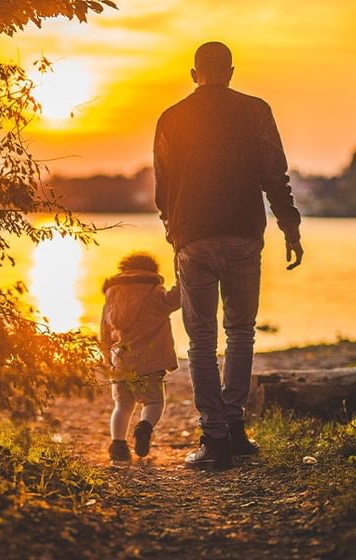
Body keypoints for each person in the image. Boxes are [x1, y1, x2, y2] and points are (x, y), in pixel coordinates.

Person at [154, 41, 303, 470]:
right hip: (242, 233)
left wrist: (173, 230)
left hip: (193, 238)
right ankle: (235, 428)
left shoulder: (171, 117)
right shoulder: (256, 110)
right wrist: (289, 226)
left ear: (193, 73)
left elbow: (163, 185)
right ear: (231, 72)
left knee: (201, 340)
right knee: (241, 331)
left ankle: (215, 436)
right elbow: (275, 173)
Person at [100, 252, 180, 466]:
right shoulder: (154, 291)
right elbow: (176, 299)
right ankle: (144, 427)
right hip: (150, 362)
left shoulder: (111, 295)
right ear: (152, 271)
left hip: (120, 362)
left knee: (122, 406)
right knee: (153, 402)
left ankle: (118, 446)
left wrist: (108, 359)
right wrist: (183, 277)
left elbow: (104, 333)